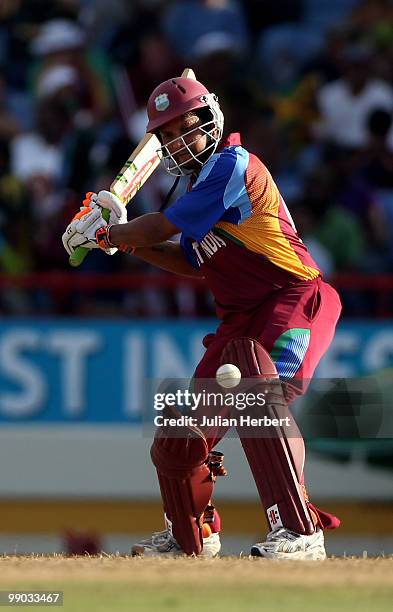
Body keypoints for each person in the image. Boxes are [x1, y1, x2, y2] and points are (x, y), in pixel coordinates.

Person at [62, 73, 342, 559]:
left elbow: (162, 227)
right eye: (165, 135)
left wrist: (112, 232)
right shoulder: (195, 189)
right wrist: (116, 241)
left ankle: (299, 532)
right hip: (239, 319)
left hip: (293, 298)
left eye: (183, 128)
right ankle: (192, 537)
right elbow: (188, 259)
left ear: (210, 120)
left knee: (257, 388)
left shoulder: (233, 165)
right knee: (179, 430)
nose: (176, 142)